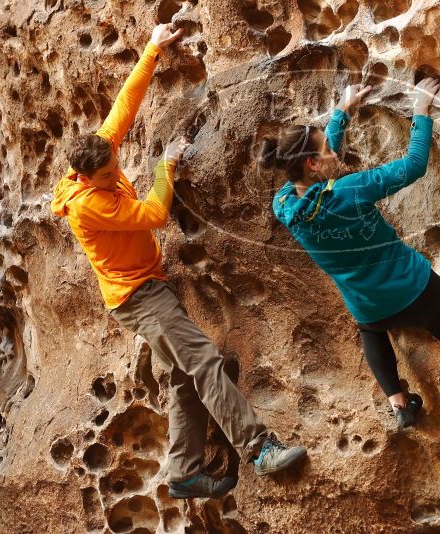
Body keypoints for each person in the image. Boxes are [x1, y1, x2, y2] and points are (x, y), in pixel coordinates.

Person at [50, 23, 306, 499]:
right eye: (107, 175)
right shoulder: (90, 203)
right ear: (84, 176)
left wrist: (151, 48)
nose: (115, 175)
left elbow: (123, 106)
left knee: (185, 378)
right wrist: (164, 166)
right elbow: (152, 213)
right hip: (139, 297)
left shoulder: (98, 156)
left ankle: (184, 472)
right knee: (206, 362)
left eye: (115, 166)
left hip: (147, 289)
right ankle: (259, 448)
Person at [266, 79, 440, 483]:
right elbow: (414, 166)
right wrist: (422, 111)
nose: (333, 151)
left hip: (369, 307)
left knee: (367, 326)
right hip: (416, 291)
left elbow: (317, 176)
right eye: (327, 148)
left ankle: (399, 402)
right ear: (313, 163)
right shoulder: (351, 189)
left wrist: (342, 113)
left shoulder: (286, 207)